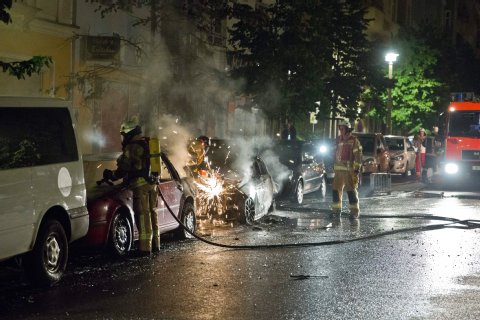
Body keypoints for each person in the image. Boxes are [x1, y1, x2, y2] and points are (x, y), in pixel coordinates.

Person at [103, 119, 160, 257]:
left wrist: (112, 175)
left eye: (124, 134)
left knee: (142, 215)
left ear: (129, 133)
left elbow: (124, 167)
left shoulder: (132, 147)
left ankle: (144, 248)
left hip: (140, 186)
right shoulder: (146, 144)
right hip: (152, 185)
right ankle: (155, 244)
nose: (123, 138)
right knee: (153, 213)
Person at [331, 119, 363, 218]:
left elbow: (358, 156)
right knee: (336, 191)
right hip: (338, 171)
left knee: (351, 191)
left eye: (342, 128)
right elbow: (334, 153)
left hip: (349, 171)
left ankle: (354, 212)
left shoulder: (354, 140)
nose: (340, 130)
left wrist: (356, 169)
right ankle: (336, 211)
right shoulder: (338, 139)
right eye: (340, 128)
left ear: (347, 129)